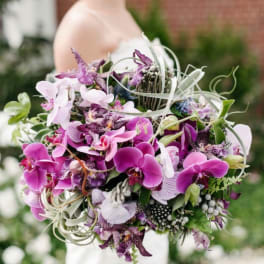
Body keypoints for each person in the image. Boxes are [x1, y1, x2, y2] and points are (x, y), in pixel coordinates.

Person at [53, 1, 169, 263]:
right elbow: (75, 133)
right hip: (111, 223)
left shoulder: (119, 10)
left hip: (146, 202)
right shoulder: (81, 24)